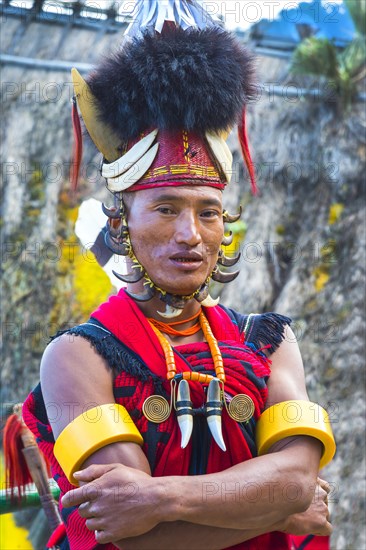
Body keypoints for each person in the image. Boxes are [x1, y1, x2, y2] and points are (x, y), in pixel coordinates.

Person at [22, 2, 335, 549]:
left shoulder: (270, 340)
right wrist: (278, 509)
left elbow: (295, 480)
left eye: (207, 211)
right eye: (166, 209)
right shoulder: (76, 356)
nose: (190, 233)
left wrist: (162, 498)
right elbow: (133, 536)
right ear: (121, 222)